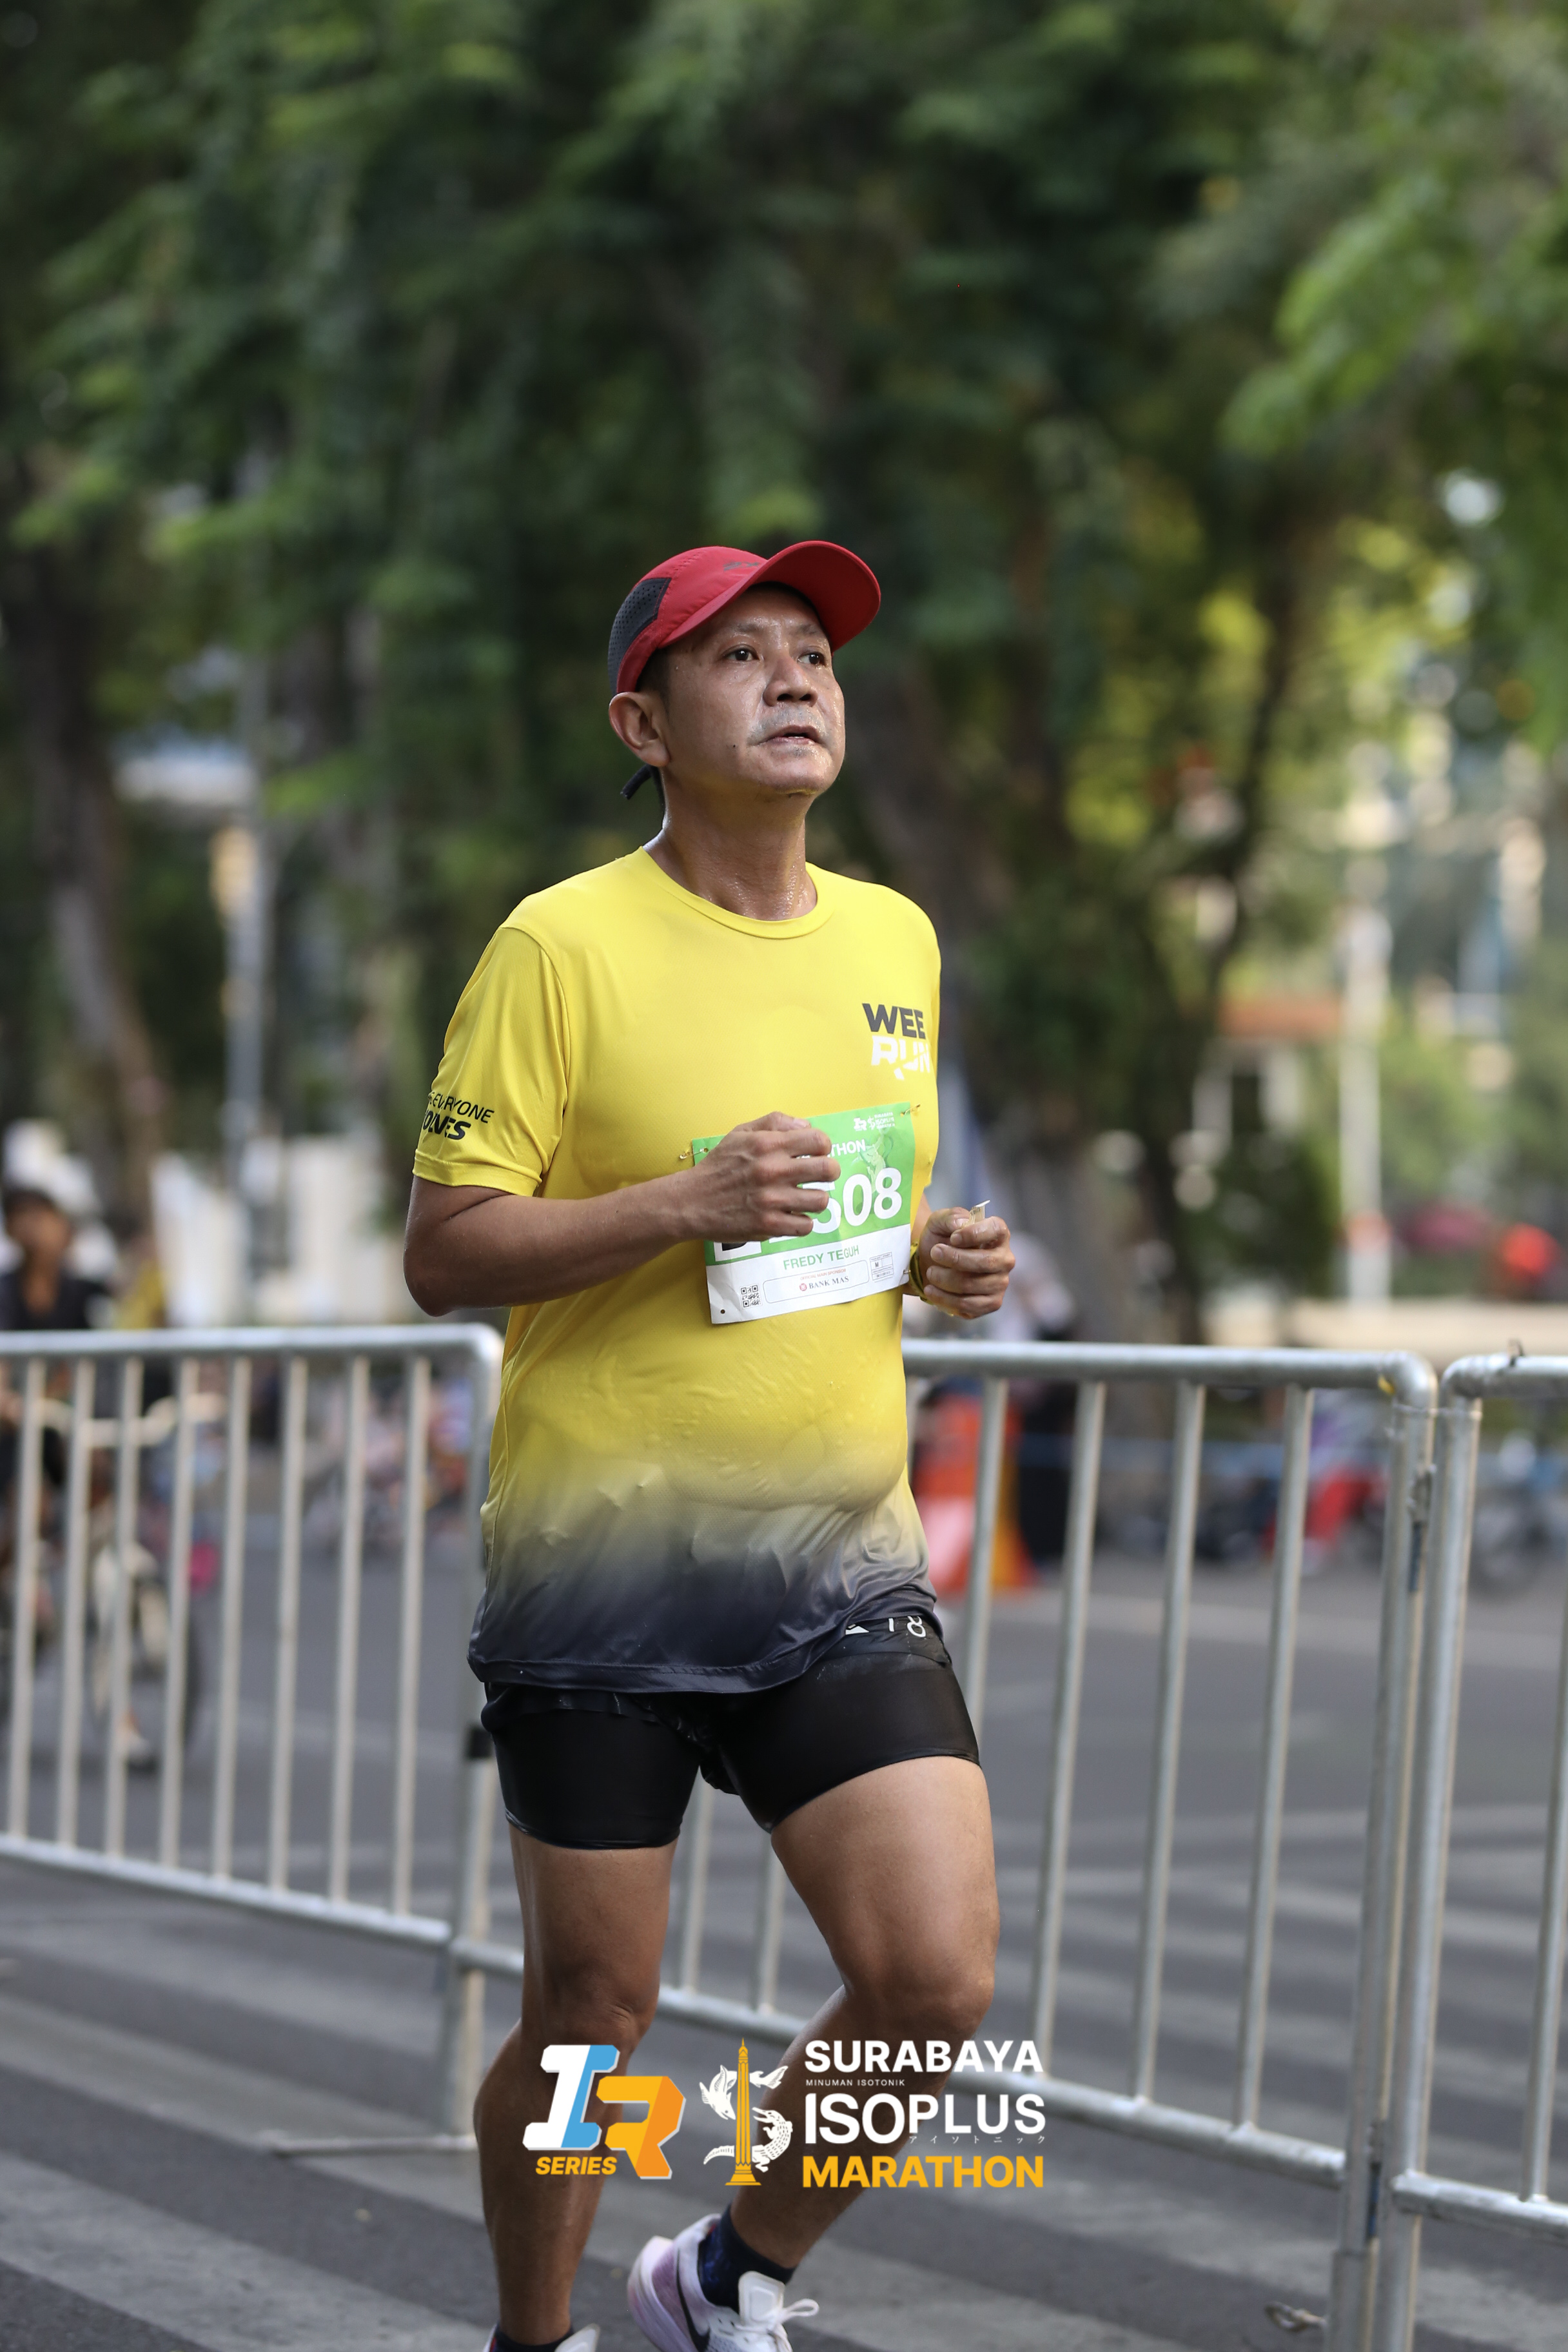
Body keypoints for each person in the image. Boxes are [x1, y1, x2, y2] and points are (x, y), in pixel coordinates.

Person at [404, 539, 1015, 2352]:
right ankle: (537, 2335)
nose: (795, 676)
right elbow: (446, 1250)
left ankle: (728, 2272)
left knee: (933, 1981)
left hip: (837, 1557)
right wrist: (684, 1200)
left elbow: (840, 1219)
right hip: (603, 1563)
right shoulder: (559, 944)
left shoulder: (895, 940)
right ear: (644, 724)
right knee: (595, 2015)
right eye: (739, 654)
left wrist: (937, 1259)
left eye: (812, 651)